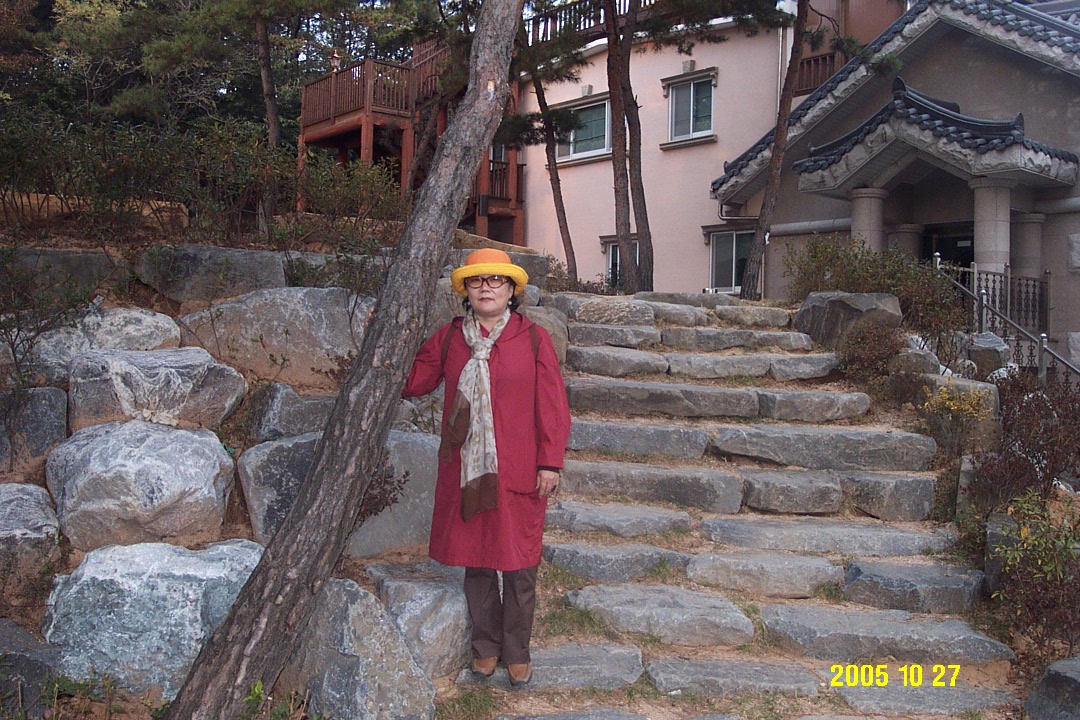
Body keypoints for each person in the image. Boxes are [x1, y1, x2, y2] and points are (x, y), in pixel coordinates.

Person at [403, 247, 571, 686]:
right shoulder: (450, 338)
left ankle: (517, 651)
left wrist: (549, 463)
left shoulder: (533, 339)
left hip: (519, 469)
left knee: (519, 564)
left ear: (512, 290)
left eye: (496, 280)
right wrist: (381, 343)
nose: (486, 288)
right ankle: (485, 647)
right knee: (476, 560)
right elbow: (413, 382)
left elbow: (552, 405)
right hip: (467, 470)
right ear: (466, 290)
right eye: (476, 280)